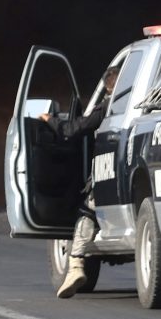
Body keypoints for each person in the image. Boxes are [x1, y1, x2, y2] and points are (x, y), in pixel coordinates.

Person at [41, 65, 119, 299]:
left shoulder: (108, 107)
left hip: (110, 173)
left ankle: (75, 265)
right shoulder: (142, 103)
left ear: (108, 87)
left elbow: (74, 129)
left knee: (87, 211)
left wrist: (50, 121)